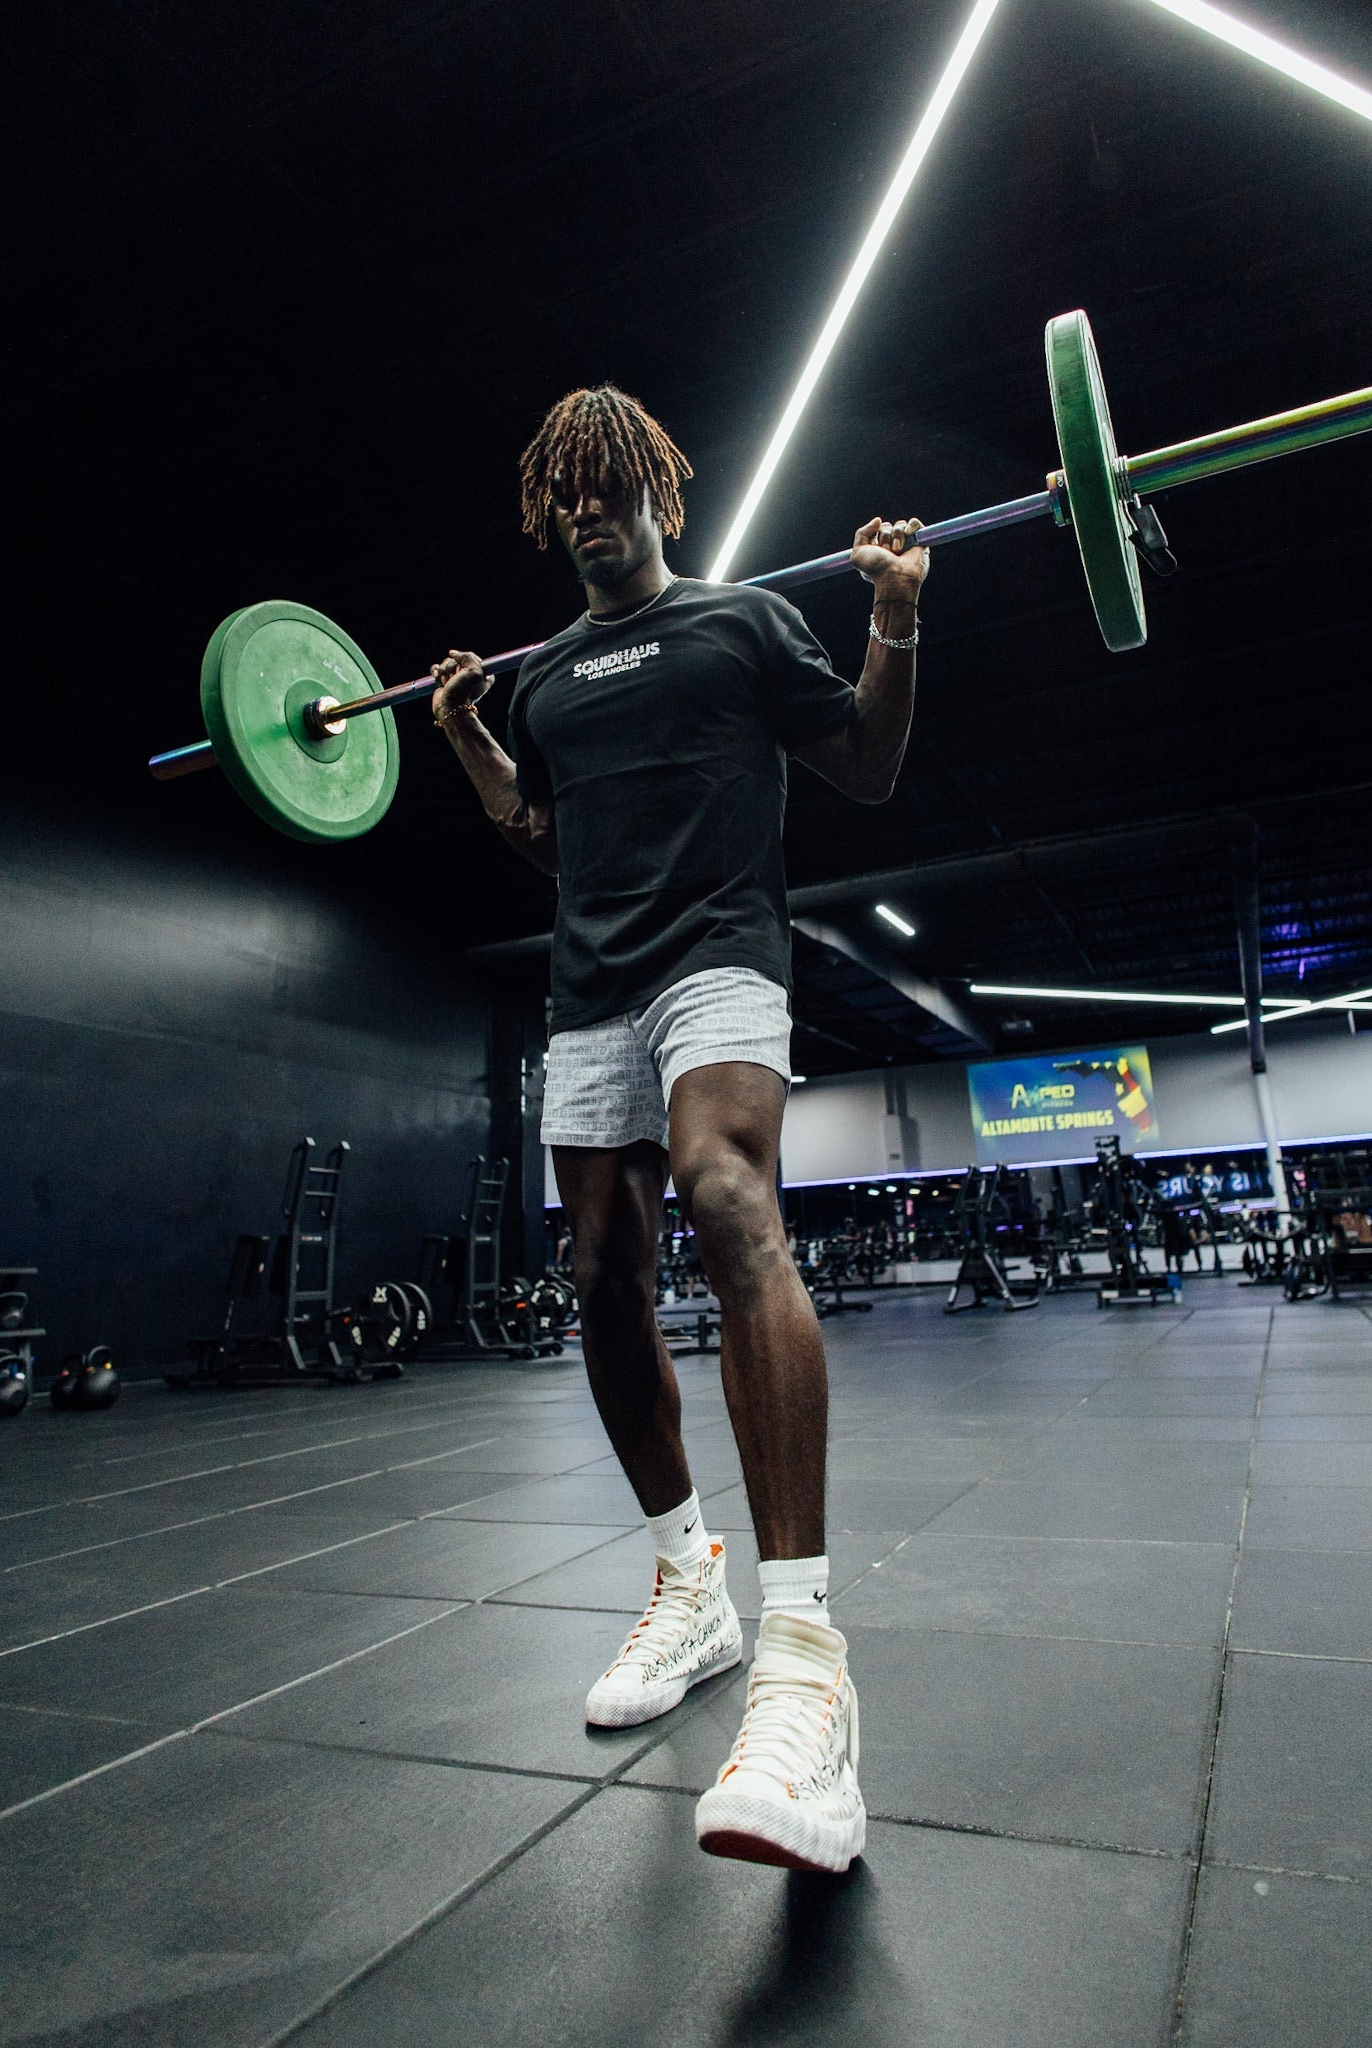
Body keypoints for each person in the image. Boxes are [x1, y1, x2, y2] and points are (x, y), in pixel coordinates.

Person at [429, 383, 927, 1874]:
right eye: (562, 491)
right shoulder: (542, 683)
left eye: (607, 482)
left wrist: (892, 618)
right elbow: (543, 839)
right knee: (596, 1271)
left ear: (660, 491)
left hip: (719, 961)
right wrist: (462, 734)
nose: (586, 506)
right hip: (589, 992)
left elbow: (864, 764)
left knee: (725, 1194)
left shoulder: (743, 625)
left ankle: (802, 1655)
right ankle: (682, 1582)